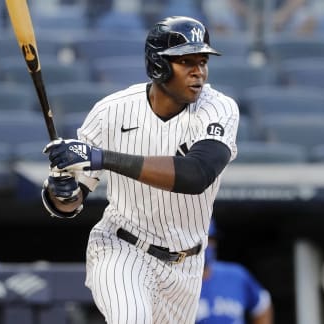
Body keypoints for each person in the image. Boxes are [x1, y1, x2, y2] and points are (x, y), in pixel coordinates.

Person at [41, 15, 240, 324]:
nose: (198, 72)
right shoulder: (111, 111)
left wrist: (102, 157)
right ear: (158, 65)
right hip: (122, 248)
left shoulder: (219, 108)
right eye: (186, 61)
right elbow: (70, 203)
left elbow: (197, 174)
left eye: (202, 61)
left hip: (186, 266)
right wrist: (61, 192)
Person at [196, 221, 274, 324]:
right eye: (201, 240)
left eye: (210, 239)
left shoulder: (236, 275)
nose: (206, 245)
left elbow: (262, 305)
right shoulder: (177, 281)